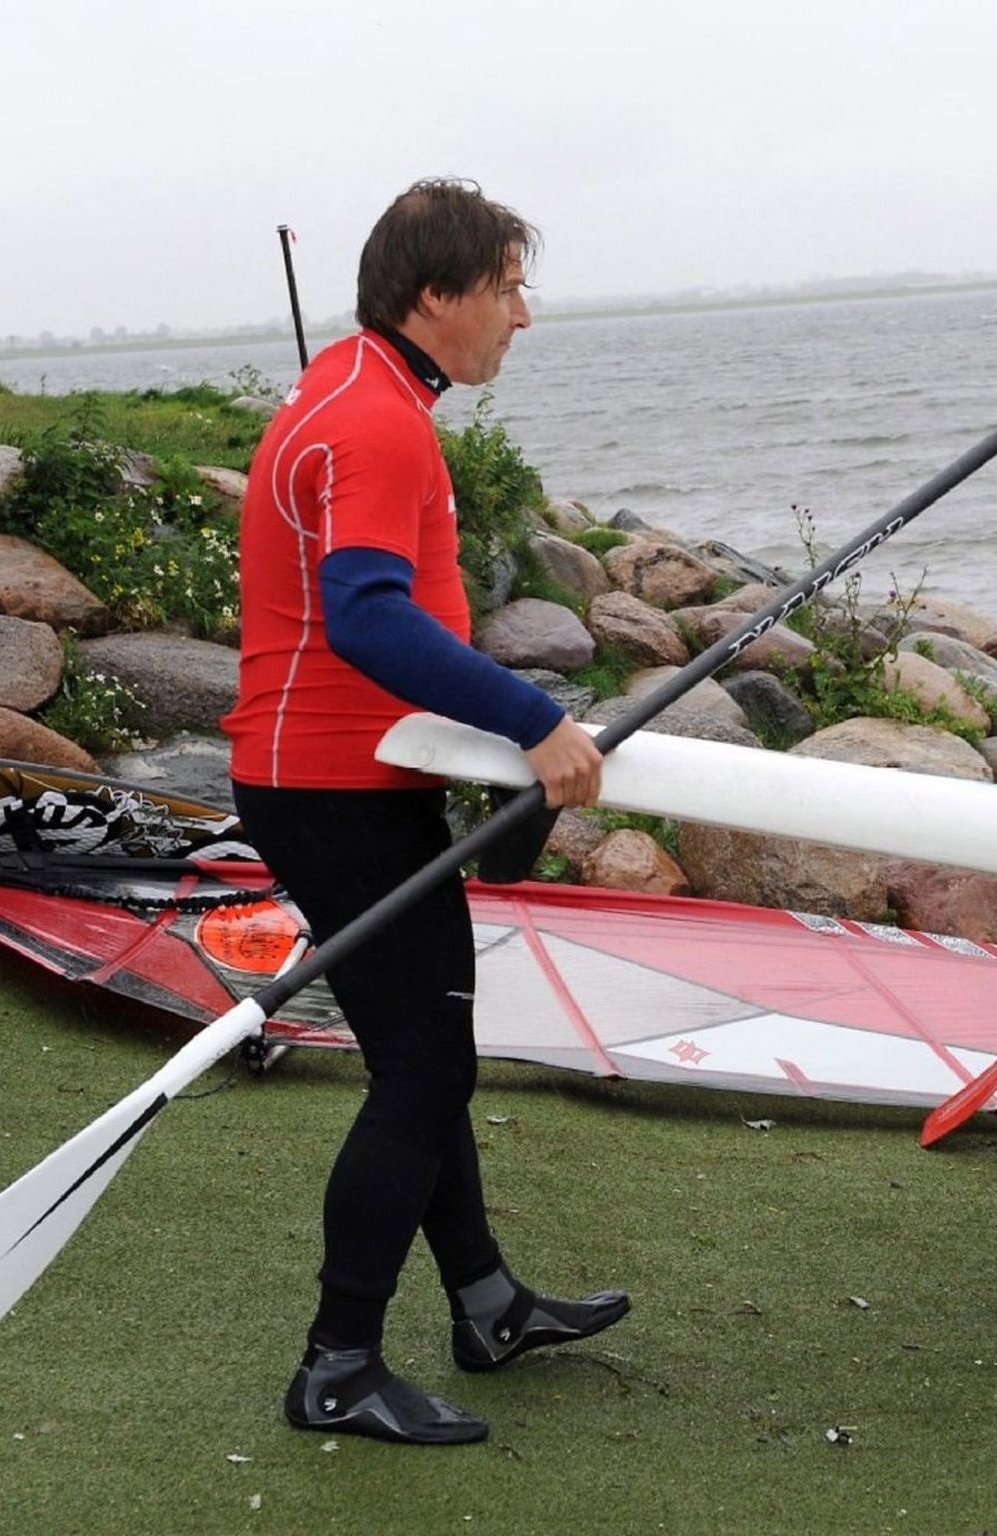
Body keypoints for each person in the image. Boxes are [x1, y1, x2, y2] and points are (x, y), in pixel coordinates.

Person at [222, 179, 628, 1446]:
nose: (522, 314)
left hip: (346, 775)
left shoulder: (361, 390)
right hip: (329, 786)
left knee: (421, 1054)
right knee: (427, 1067)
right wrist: (531, 720)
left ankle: (488, 1302)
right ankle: (336, 1365)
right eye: (507, 286)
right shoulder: (377, 421)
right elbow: (366, 614)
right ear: (436, 295)